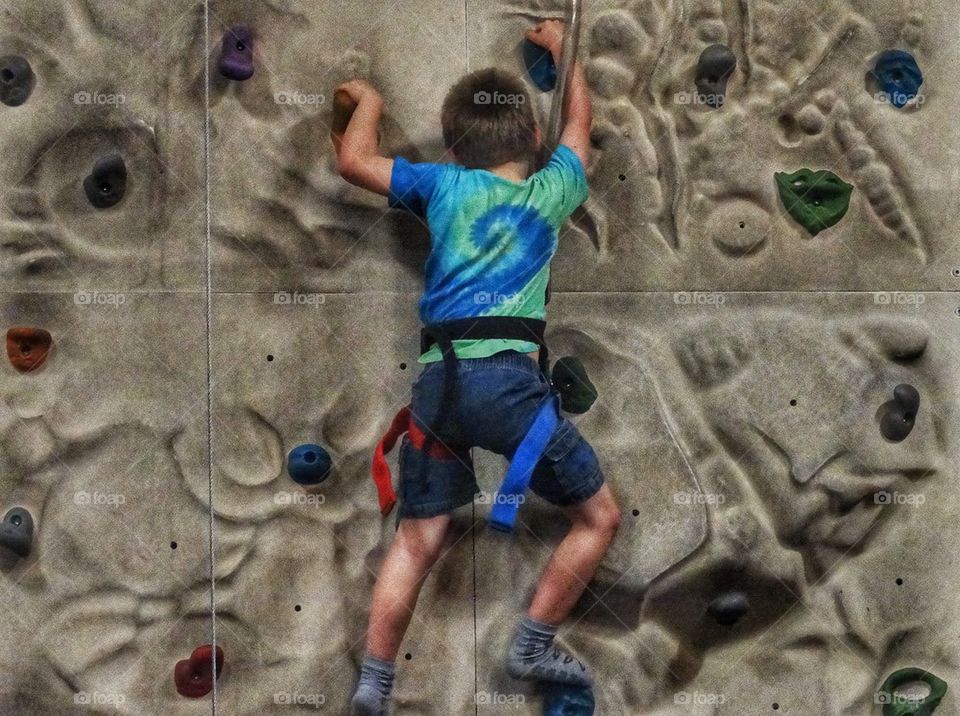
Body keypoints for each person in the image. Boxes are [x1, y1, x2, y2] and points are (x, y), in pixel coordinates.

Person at [334, 20, 621, 716]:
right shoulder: (551, 191)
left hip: (441, 383)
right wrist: (561, 51)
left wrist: (366, 100)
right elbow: (581, 125)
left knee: (419, 536)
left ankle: (373, 686)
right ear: (531, 140)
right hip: (512, 390)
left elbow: (353, 163)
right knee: (598, 518)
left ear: (457, 148)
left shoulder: (441, 186)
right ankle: (530, 644)